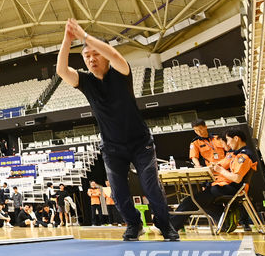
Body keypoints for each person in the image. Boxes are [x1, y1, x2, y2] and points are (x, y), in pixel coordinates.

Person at [56, 18, 178, 241]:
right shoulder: (85, 82)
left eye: (96, 54)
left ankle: (165, 224)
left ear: (104, 56)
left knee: (151, 187)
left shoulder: (121, 71)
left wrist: (84, 37)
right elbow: (62, 70)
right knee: (119, 192)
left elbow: (114, 55)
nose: (92, 59)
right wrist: (67, 39)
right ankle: (134, 225)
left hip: (140, 142)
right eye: (87, 56)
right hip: (112, 147)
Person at [170, 128, 258, 231]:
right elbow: (222, 164)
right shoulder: (235, 154)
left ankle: (170, 227)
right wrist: (213, 167)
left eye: (228, 140)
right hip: (224, 186)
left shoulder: (244, 155)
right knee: (202, 203)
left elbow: (237, 178)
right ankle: (226, 224)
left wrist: (220, 170)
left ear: (236, 138)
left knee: (190, 201)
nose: (228, 144)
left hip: (232, 188)